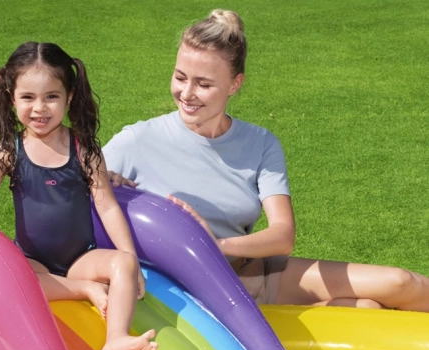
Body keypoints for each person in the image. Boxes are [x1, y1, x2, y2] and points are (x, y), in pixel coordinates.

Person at [104, 10, 429, 312]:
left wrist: (217, 244)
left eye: (203, 84)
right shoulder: (137, 140)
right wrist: (105, 181)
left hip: (255, 276)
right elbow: (68, 185)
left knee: (402, 282)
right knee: (366, 310)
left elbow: (283, 236)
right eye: (180, 77)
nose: (187, 93)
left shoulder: (259, 143)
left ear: (235, 84)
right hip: (199, 294)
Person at [0, 42, 158, 350]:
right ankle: (83, 288)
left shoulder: (84, 151)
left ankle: (116, 340)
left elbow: (107, 206)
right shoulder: (8, 151)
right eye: (28, 97)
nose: (40, 108)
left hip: (82, 256)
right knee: (11, 280)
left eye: (51, 97)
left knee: (122, 264)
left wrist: (130, 258)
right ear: (12, 98)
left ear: (69, 98)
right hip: (33, 261)